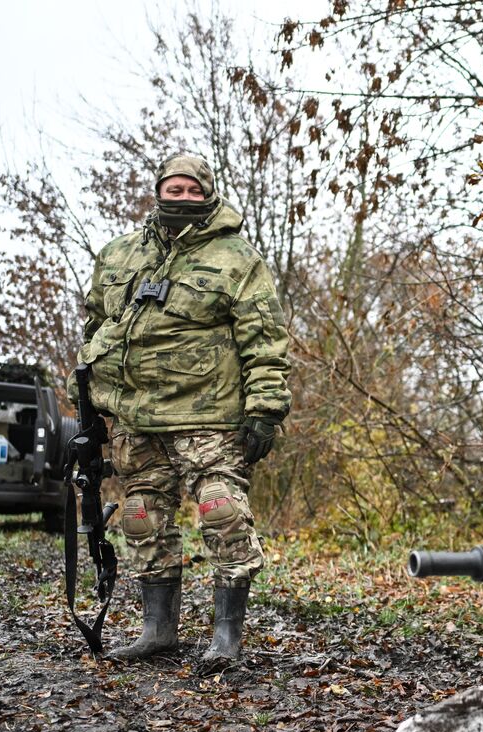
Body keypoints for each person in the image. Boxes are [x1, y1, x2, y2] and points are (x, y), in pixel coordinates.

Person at [77, 153, 291, 666]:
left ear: (208, 193)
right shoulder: (119, 255)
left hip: (210, 417)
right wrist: (88, 400)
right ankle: (158, 630)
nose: (183, 198)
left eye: (193, 190)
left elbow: (265, 339)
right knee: (141, 517)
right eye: (174, 189)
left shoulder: (237, 258)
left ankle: (227, 636)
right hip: (136, 419)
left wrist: (265, 407)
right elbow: (95, 330)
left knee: (222, 513)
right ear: (158, 191)